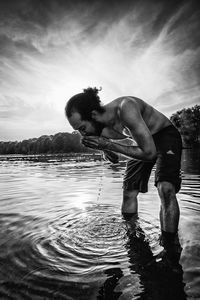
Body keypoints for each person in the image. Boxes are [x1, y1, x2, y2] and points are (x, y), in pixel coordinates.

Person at [65, 87, 182, 257]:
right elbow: (115, 159)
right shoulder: (102, 128)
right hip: (140, 141)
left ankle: (170, 248)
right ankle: (132, 237)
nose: (82, 134)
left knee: (166, 188)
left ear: (93, 115)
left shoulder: (126, 108)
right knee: (129, 192)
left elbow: (149, 153)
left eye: (82, 128)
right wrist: (103, 148)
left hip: (164, 135)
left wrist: (108, 145)